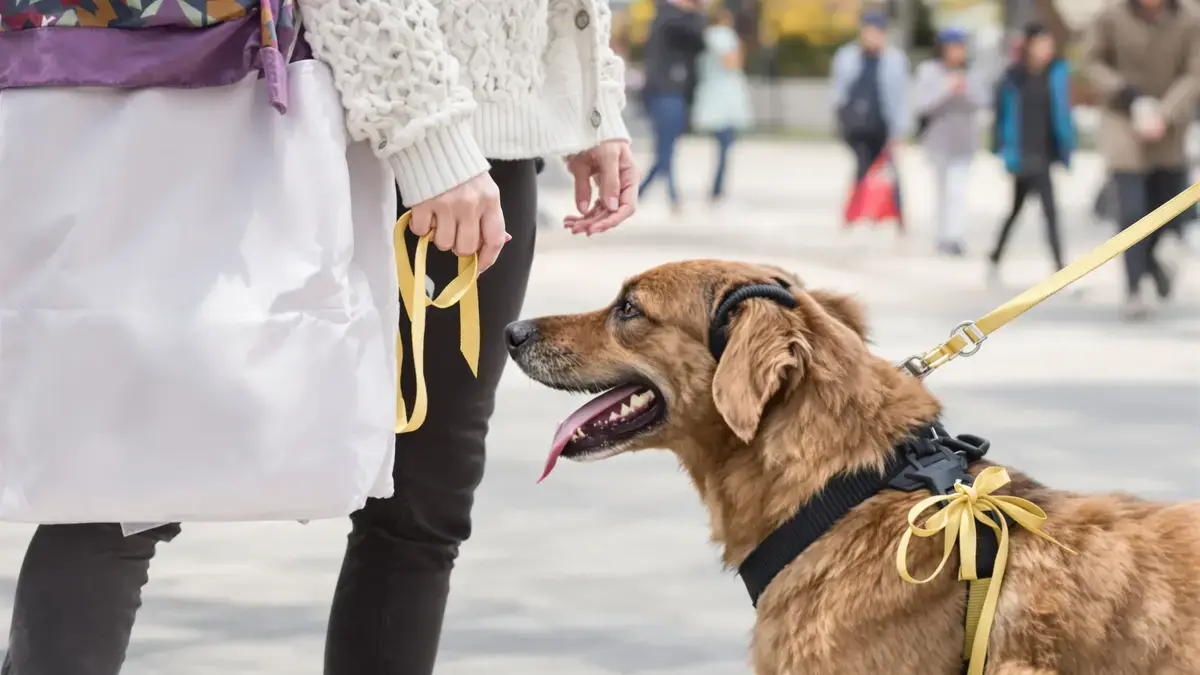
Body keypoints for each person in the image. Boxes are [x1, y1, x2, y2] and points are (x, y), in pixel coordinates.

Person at [0, 0, 638, 673]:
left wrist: (586, 97)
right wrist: (428, 136)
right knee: (127, 481)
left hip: (485, 138)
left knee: (426, 504)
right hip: (306, 112)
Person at [1083, 0, 1200, 321]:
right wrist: (1128, 97)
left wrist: (1166, 111)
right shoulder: (1110, 15)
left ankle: (1155, 265)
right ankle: (1135, 289)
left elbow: (1195, 71)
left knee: (1166, 212)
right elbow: (1093, 62)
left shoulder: (1190, 18)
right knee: (1132, 212)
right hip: (1123, 121)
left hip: (1169, 125)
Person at [987, 22, 1076, 284]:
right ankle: (996, 258)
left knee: (1048, 211)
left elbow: (1063, 113)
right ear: (1029, 45)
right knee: (1015, 211)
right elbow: (1001, 117)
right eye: (1041, 43)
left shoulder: (1055, 74)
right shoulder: (1014, 77)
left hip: (1045, 154)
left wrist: (1067, 147)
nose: (1046, 50)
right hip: (1022, 156)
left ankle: (1058, 266)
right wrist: (1002, 150)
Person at [831, 8, 911, 227]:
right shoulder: (847, 56)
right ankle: (855, 214)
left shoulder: (894, 59)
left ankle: (897, 218)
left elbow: (900, 97)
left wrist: (899, 130)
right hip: (857, 126)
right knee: (862, 167)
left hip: (883, 124)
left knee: (890, 172)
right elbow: (839, 92)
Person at [915, 27, 985, 256]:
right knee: (942, 191)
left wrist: (964, 90)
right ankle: (942, 234)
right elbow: (923, 105)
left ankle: (954, 236)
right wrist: (946, 89)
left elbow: (983, 101)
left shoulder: (973, 73)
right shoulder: (929, 71)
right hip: (938, 141)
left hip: (964, 142)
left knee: (957, 190)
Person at [638, 0, 707, 213]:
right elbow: (698, 39)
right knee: (665, 150)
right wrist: (694, 11)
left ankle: (663, 194)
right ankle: (645, 193)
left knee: (666, 148)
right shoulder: (671, 18)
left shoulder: (667, 17)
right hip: (666, 91)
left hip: (671, 92)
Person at [690, 5, 753, 206]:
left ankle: (717, 189)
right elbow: (732, 62)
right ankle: (717, 190)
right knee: (725, 147)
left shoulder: (705, 36)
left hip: (712, 94)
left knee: (723, 147)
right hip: (724, 99)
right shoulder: (724, 36)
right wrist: (740, 47)